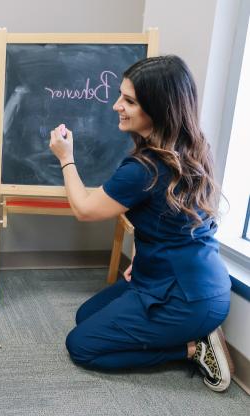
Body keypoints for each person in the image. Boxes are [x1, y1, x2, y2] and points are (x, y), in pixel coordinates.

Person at [49, 55, 234, 392]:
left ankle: (192, 349)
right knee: (86, 316)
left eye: (129, 101)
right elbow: (173, 221)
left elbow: (85, 210)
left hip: (186, 298)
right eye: (121, 95)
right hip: (188, 281)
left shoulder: (143, 169)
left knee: (82, 346)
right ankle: (190, 332)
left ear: (158, 108)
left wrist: (66, 158)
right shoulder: (192, 147)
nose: (117, 105)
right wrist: (141, 258)